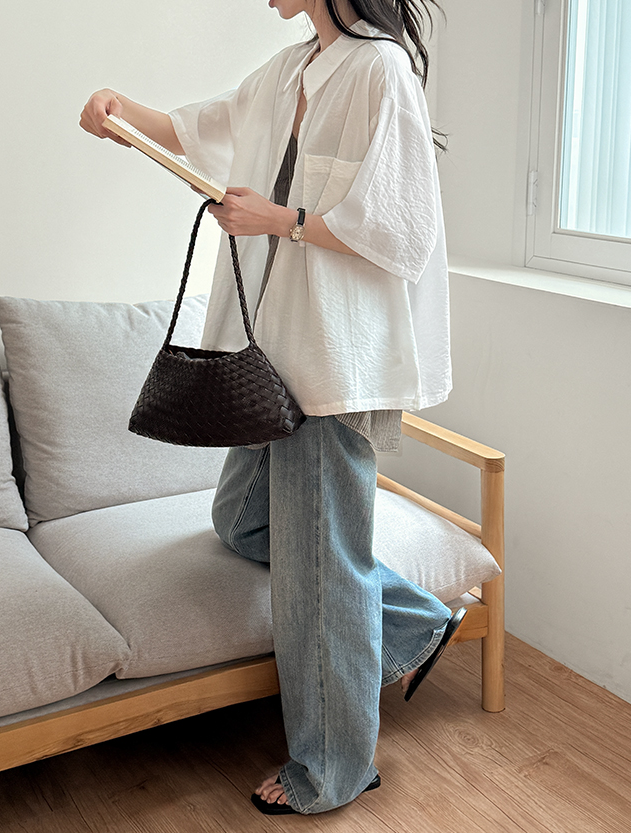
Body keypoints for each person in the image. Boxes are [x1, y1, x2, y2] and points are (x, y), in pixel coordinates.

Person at [80, 0, 467, 816]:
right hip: (274, 357)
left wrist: (279, 219)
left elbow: (402, 229)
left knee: (322, 569)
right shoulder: (292, 66)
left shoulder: (379, 69)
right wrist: (121, 114)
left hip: (331, 358)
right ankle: (411, 620)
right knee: (240, 519)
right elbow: (202, 126)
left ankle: (334, 766)